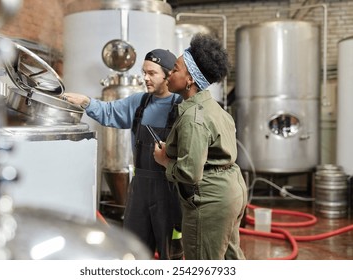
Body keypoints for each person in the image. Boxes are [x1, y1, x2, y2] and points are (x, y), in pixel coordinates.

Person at [63, 49, 183, 260]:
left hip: (170, 189)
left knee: (171, 253)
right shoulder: (139, 102)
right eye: (144, 72)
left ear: (168, 75)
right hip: (139, 190)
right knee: (134, 250)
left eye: (152, 73)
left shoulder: (182, 106)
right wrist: (85, 102)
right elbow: (109, 112)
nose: (145, 78)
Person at [153, 33, 247, 260]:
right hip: (232, 191)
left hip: (209, 201)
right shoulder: (215, 109)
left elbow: (190, 173)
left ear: (190, 80)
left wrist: (164, 159)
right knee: (230, 258)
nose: (169, 74)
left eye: (175, 69)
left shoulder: (193, 118)